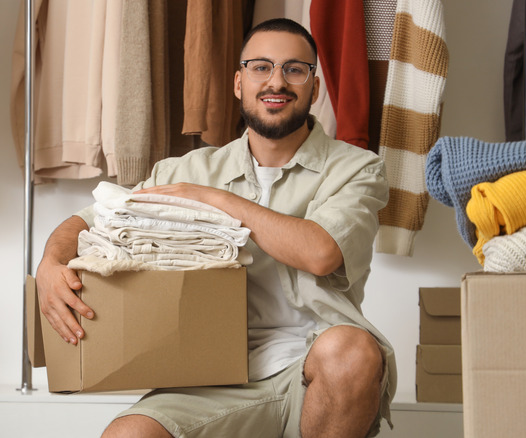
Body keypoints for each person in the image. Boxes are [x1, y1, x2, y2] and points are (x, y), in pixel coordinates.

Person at [36, 18, 396, 438]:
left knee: (351, 351)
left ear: (314, 88)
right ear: (238, 83)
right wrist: (50, 262)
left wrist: (216, 199)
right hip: (213, 373)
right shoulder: (189, 170)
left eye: (295, 69)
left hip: (316, 367)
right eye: (261, 67)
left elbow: (321, 253)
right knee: (127, 435)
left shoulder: (358, 168)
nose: (276, 81)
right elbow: (93, 217)